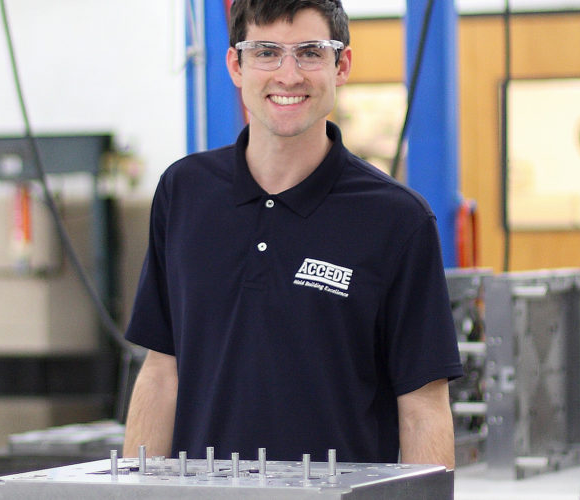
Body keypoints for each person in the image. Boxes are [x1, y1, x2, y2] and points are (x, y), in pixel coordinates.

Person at [122, 0, 463, 468]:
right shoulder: (184, 193)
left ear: (340, 65)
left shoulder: (397, 220)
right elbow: (162, 371)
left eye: (309, 52)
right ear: (235, 65)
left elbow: (423, 407)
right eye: (265, 52)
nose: (288, 74)